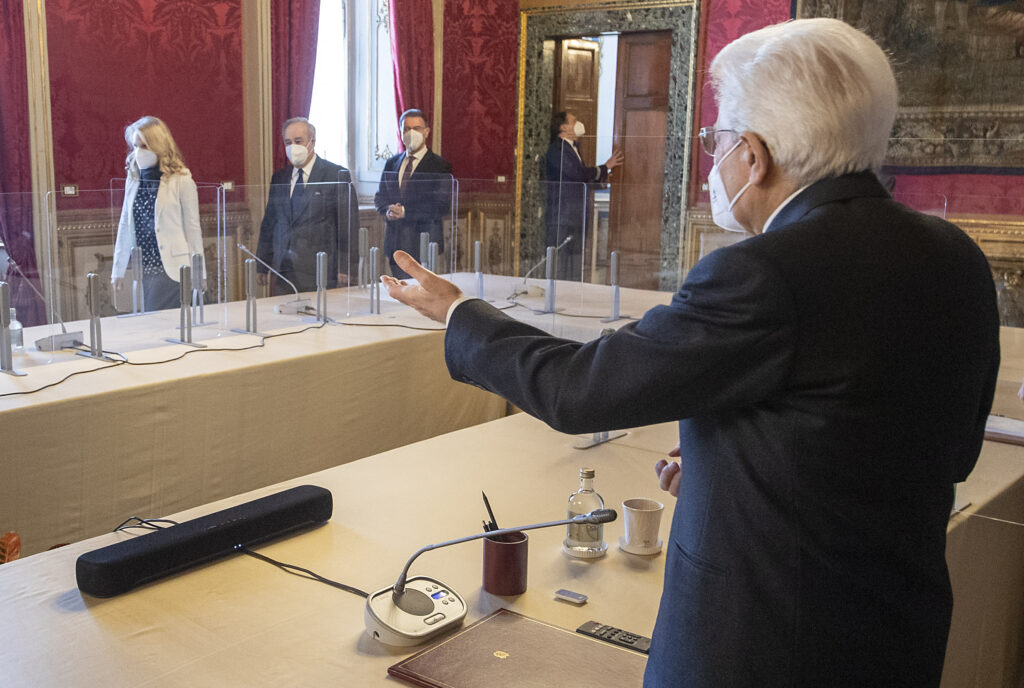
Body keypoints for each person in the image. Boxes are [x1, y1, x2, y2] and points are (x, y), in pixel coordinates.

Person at [383, 18, 1000, 687]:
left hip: (761, 644)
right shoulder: (953, 255)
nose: (714, 161)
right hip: (895, 632)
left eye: (715, 141)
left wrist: (458, 314)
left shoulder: (766, 273)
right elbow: (933, 447)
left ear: (754, 155)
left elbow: (579, 390)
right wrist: (728, 460)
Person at [111, 116, 205, 311]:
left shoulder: (181, 180)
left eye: (144, 146)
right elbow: (125, 225)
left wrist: (199, 274)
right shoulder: (134, 180)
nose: (138, 152)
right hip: (143, 268)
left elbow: (193, 229)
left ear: (158, 146)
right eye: (135, 146)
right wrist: (117, 270)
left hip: (172, 269)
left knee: (159, 322)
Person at [256, 117, 358, 293]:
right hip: (283, 270)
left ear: (312, 142)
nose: (292, 146)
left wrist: (347, 267)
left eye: (298, 141)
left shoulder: (335, 174)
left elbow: (348, 224)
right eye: (288, 142)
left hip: (319, 269)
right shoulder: (279, 177)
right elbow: (269, 222)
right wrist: (262, 264)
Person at [374, 109, 452, 280]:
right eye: (406, 129)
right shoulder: (392, 162)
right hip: (394, 244)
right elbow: (380, 197)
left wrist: (405, 212)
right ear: (400, 132)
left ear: (426, 132)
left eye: (416, 128)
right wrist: (388, 209)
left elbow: (441, 205)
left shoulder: (440, 165)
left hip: (423, 245)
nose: (411, 133)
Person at [544, 111, 622, 281]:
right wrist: (604, 167)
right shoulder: (556, 150)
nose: (579, 124)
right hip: (562, 215)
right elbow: (577, 174)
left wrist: (602, 179)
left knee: (576, 258)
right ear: (564, 127)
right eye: (574, 121)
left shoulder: (574, 148)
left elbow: (580, 180)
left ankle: (572, 290)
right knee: (561, 259)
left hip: (576, 214)